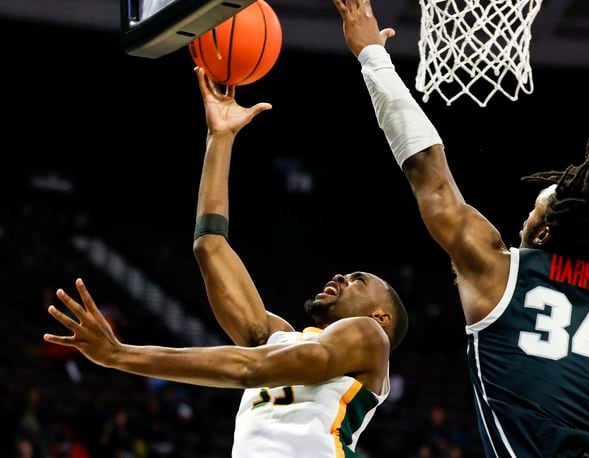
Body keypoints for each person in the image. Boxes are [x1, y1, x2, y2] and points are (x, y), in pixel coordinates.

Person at [331, 0, 589, 455]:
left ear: (545, 233)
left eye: (534, 209)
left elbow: (428, 173)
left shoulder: (499, 275)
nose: (525, 217)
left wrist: (373, 56)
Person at [43, 67, 409, 458]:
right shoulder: (277, 336)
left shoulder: (371, 339)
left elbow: (249, 369)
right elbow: (210, 247)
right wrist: (220, 138)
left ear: (380, 317)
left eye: (358, 280)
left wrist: (121, 355)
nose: (341, 275)